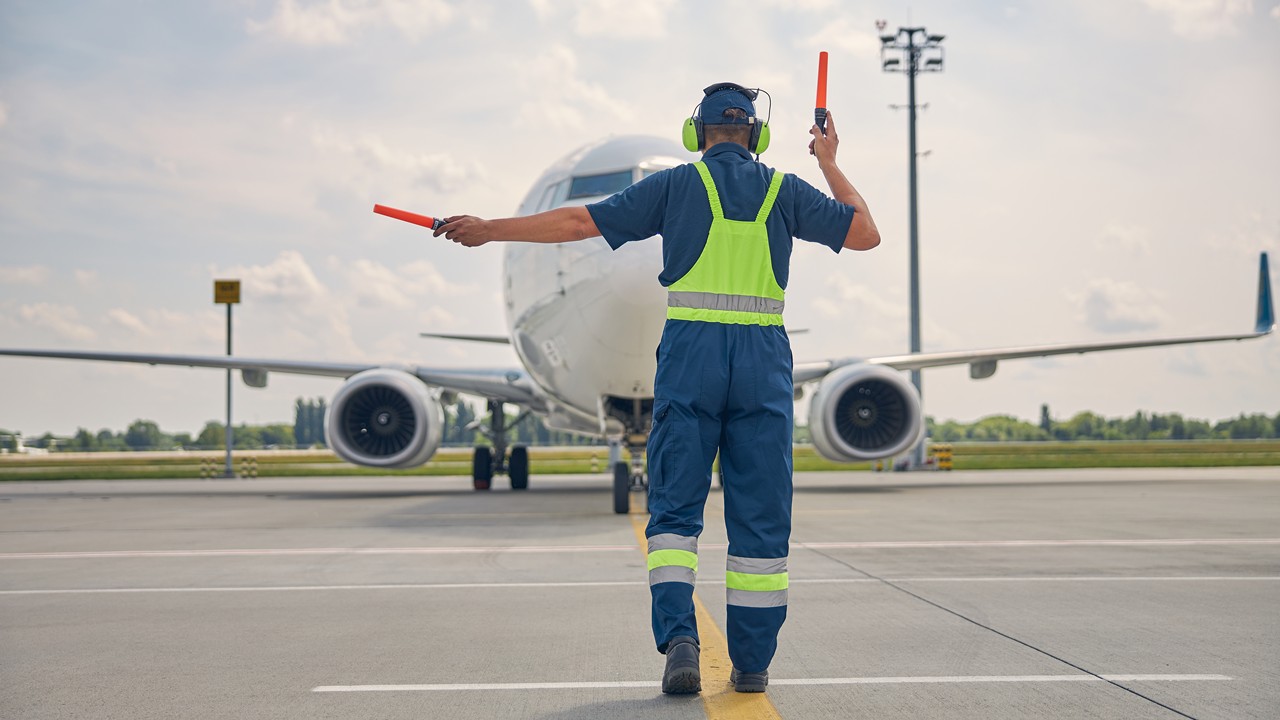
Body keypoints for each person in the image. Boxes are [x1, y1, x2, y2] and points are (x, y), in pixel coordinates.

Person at [435, 82, 880, 695]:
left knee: (672, 515)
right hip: (762, 364)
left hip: (691, 356)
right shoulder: (784, 189)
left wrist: (491, 228)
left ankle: (680, 642)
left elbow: (575, 223)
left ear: (695, 135)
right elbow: (864, 233)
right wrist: (829, 162)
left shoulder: (677, 185)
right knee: (761, 517)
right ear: (760, 136)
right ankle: (751, 665)